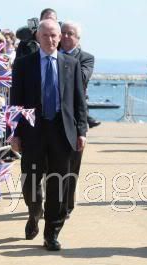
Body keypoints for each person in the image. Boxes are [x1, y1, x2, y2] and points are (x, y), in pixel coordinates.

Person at [10, 19, 87, 251]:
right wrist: (13, 132)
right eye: (47, 36)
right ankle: (34, 212)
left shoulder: (70, 64)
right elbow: (15, 100)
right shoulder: (24, 64)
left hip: (62, 131)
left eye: (56, 35)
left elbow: (78, 101)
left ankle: (51, 233)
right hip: (33, 130)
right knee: (31, 180)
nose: (53, 40)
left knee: (59, 184)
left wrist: (82, 130)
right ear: (38, 37)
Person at [60, 21, 94, 218]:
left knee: (72, 166)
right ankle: (53, 203)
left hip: (74, 119)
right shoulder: (49, 55)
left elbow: (81, 79)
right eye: (62, 33)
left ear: (78, 38)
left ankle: (67, 204)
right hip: (52, 119)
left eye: (69, 34)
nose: (65, 37)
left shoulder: (86, 58)